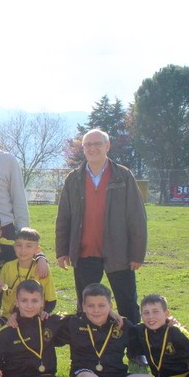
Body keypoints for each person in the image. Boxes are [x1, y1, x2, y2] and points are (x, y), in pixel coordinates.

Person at [61, 284, 189, 377]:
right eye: (91, 306)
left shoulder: (123, 325)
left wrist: (167, 324)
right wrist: (44, 314)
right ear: (83, 306)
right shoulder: (73, 323)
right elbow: (48, 328)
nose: (96, 310)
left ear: (110, 306)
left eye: (102, 305)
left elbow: (148, 334)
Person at [55, 128, 147, 325]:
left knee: (128, 304)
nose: (92, 148)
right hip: (84, 254)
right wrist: (62, 251)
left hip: (119, 254)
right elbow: (64, 217)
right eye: (88, 145)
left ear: (107, 146)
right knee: (85, 307)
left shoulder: (123, 176)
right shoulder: (73, 178)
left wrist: (137, 254)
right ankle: (86, 343)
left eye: (97, 144)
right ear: (83, 148)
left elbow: (137, 217)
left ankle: (134, 344)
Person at [0, 227, 56, 328]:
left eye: (29, 246)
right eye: (19, 245)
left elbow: (51, 300)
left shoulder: (41, 269)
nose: (23, 250)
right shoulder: (8, 267)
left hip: (34, 317)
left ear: (37, 250)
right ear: (14, 246)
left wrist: (46, 311)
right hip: (9, 318)